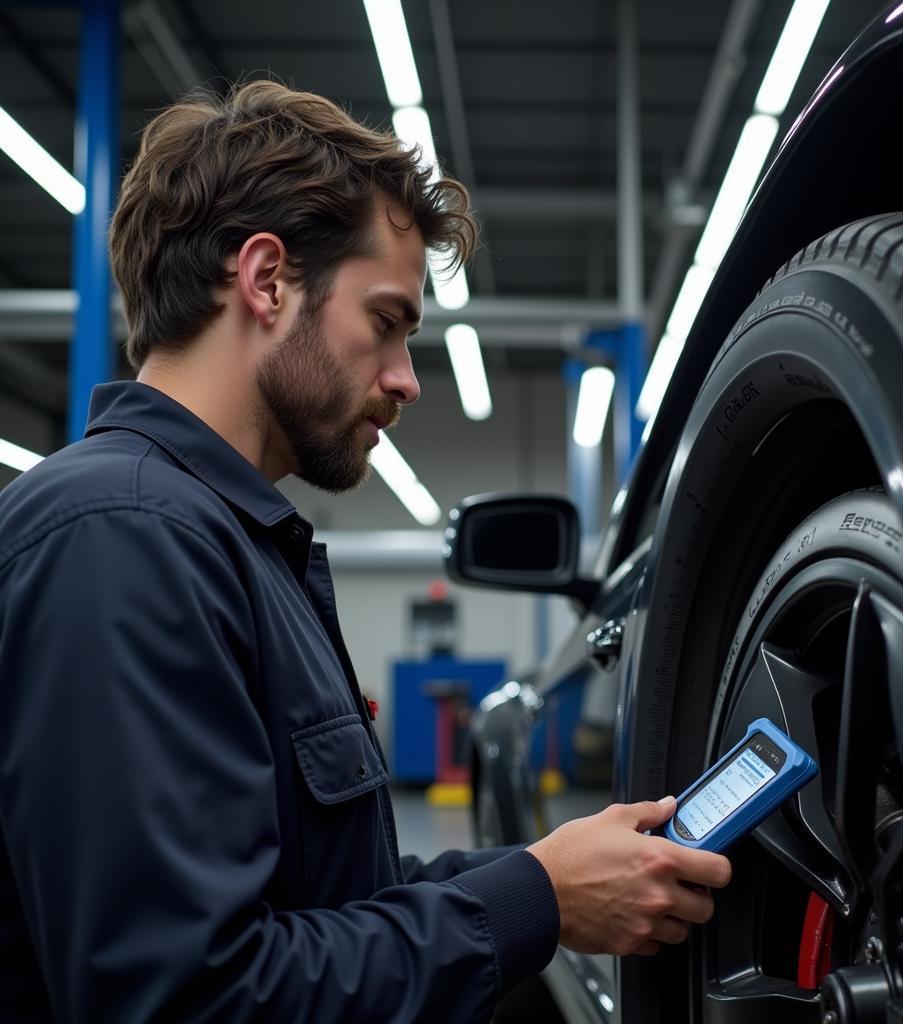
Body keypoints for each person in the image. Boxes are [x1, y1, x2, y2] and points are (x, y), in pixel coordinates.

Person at [0, 81, 731, 1022]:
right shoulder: (122, 537)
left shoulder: (229, 542)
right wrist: (537, 899)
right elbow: (190, 998)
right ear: (265, 280)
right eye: (386, 322)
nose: (405, 380)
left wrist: (547, 878)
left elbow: (323, 891)